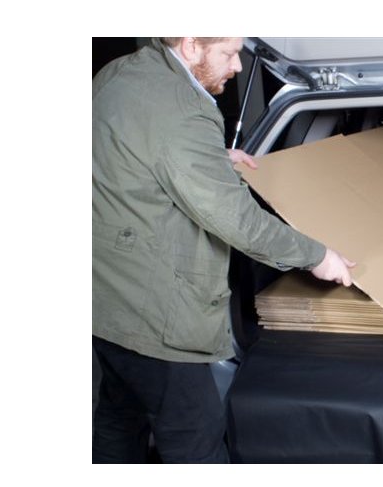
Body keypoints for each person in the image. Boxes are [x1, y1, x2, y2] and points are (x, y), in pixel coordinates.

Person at [93, 37, 355, 463]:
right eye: (228, 54)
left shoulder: (123, 73)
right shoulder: (183, 111)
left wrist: (211, 157)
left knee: (116, 422)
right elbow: (237, 219)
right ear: (191, 45)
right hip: (155, 315)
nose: (237, 66)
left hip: (104, 300)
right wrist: (317, 256)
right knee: (195, 439)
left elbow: (136, 147)